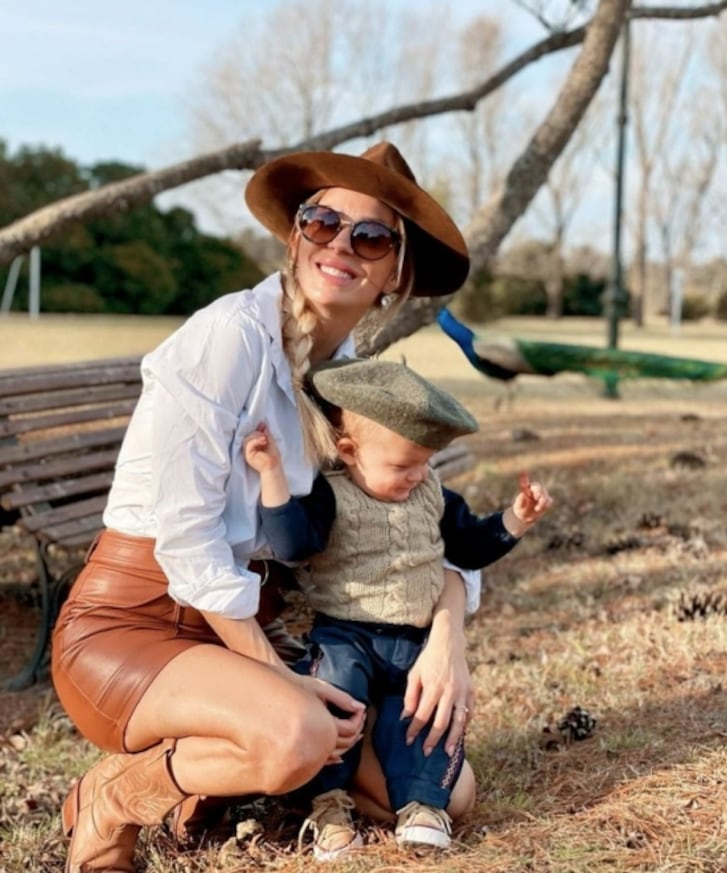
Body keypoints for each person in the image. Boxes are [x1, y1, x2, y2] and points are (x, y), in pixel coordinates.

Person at [50, 141, 482, 873]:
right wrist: (278, 678)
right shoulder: (229, 337)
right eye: (322, 223)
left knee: (449, 789)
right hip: (135, 624)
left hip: (245, 631)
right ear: (294, 236)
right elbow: (188, 548)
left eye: (370, 236)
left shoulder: (348, 388)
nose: (341, 245)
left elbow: (418, 525)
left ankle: (223, 773)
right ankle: (113, 797)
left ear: (393, 275)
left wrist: (448, 637)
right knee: (297, 734)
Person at [243, 357, 553, 859]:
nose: (417, 476)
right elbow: (292, 543)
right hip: (345, 633)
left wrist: (515, 520)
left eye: (424, 462)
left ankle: (422, 805)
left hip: (413, 639)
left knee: (422, 716)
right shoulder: (331, 496)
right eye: (402, 466)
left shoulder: (432, 494)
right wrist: (272, 473)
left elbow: (469, 548)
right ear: (348, 451)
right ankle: (328, 805)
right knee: (335, 704)